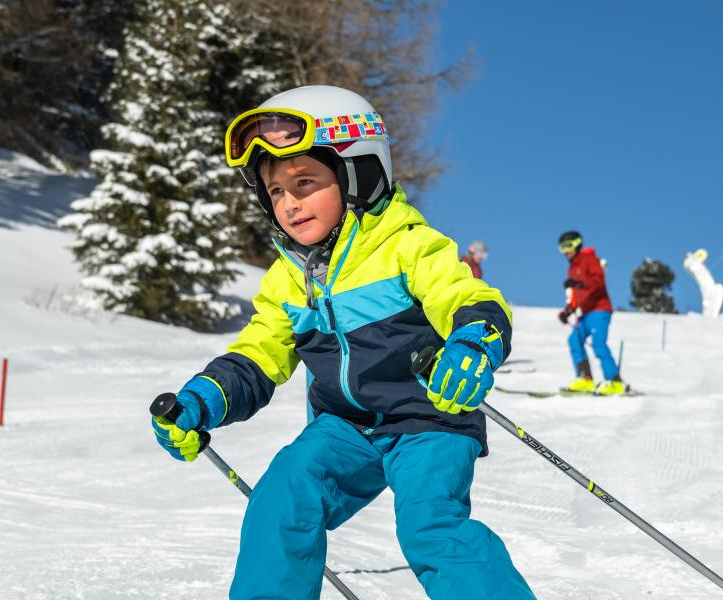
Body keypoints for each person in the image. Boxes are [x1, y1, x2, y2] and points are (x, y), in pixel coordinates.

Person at [151, 85, 534, 600]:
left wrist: (472, 343)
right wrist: (202, 400)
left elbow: (465, 295)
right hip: (344, 429)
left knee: (430, 525)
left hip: (428, 417)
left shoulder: (405, 245)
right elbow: (258, 355)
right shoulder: (286, 279)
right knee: (282, 495)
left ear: (358, 172)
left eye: (304, 182)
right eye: (277, 191)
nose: (289, 203)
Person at [556, 230, 626, 395]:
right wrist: (568, 311)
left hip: (599, 309)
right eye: (562, 248)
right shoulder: (572, 268)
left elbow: (598, 282)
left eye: (568, 246)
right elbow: (575, 296)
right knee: (574, 340)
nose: (566, 251)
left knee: (598, 343)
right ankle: (585, 379)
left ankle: (615, 381)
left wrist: (579, 283)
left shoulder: (589, 259)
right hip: (584, 313)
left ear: (578, 243)